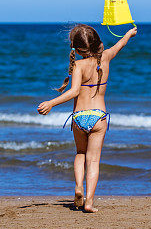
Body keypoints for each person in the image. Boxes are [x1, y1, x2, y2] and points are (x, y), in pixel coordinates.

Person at [37, 23, 137, 212]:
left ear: (76, 48)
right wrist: (129, 33)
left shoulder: (78, 65)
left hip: (79, 117)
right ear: (97, 42)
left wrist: (51, 103)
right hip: (99, 117)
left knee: (80, 154)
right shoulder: (106, 57)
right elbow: (120, 44)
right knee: (93, 160)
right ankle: (89, 202)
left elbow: (74, 91)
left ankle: (78, 188)